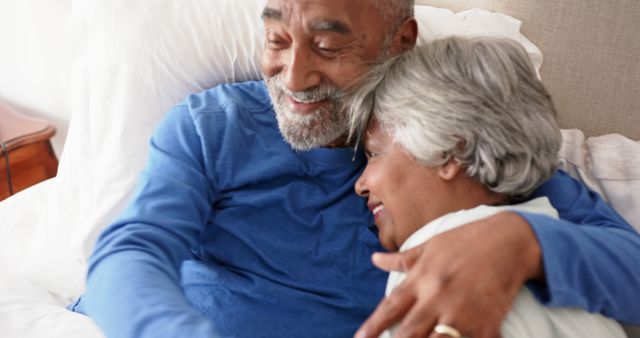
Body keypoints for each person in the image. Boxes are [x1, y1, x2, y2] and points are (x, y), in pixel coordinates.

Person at [71, 1, 640, 337]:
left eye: (326, 46)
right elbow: (129, 253)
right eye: (276, 39)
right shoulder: (213, 126)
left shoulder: (446, 136)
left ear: (401, 42)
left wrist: (523, 240)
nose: (293, 78)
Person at [350, 35, 626, 338]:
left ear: (448, 153)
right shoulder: (564, 254)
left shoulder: (438, 274)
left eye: (374, 154)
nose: (360, 184)